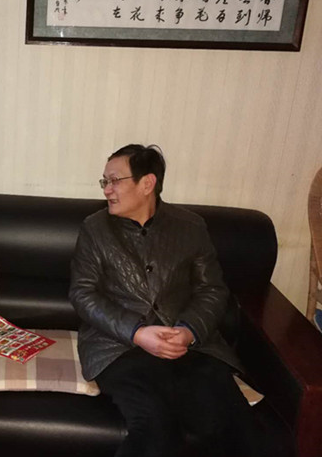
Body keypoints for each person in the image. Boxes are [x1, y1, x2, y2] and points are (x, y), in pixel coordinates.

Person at [69, 144, 266, 457]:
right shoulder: (95, 229)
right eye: (104, 182)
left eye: (114, 180)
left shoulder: (190, 227)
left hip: (188, 346)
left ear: (147, 183)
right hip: (117, 346)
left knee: (232, 423)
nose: (107, 190)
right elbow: (82, 293)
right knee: (156, 426)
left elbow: (212, 290)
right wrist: (137, 332)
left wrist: (187, 331)